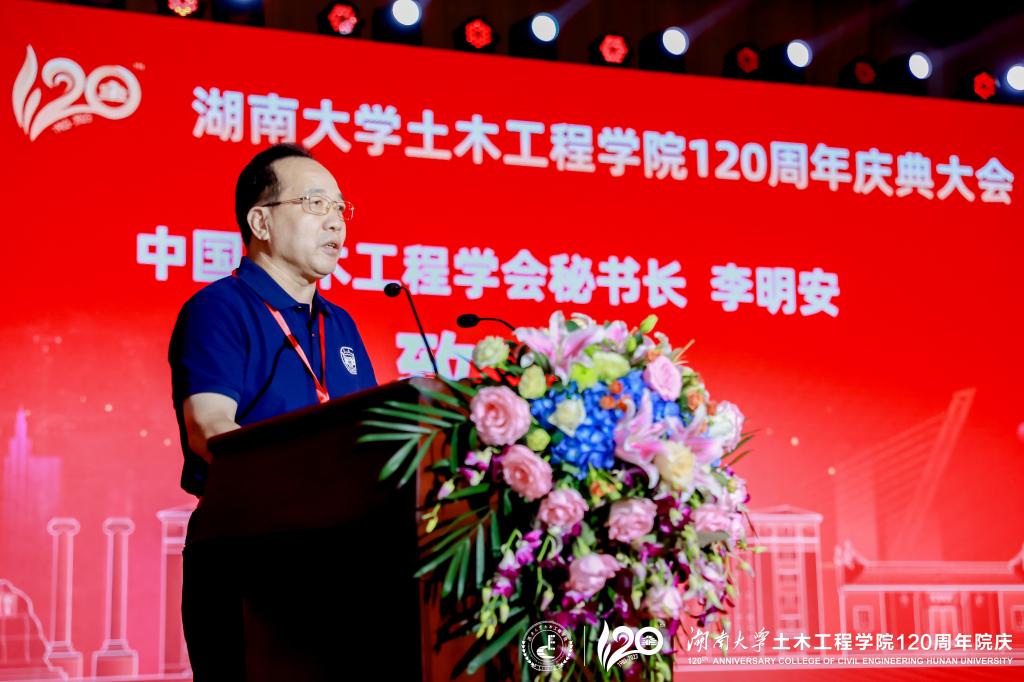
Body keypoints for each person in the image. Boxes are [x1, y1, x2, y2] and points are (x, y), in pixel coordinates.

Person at [168, 143, 376, 680]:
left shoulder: (340, 323)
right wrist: (306, 484)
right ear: (260, 221)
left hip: (345, 559)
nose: (336, 221)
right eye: (315, 204)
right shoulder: (220, 308)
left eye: (341, 208)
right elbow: (209, 428)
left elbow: (373, 439)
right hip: (250, 552)